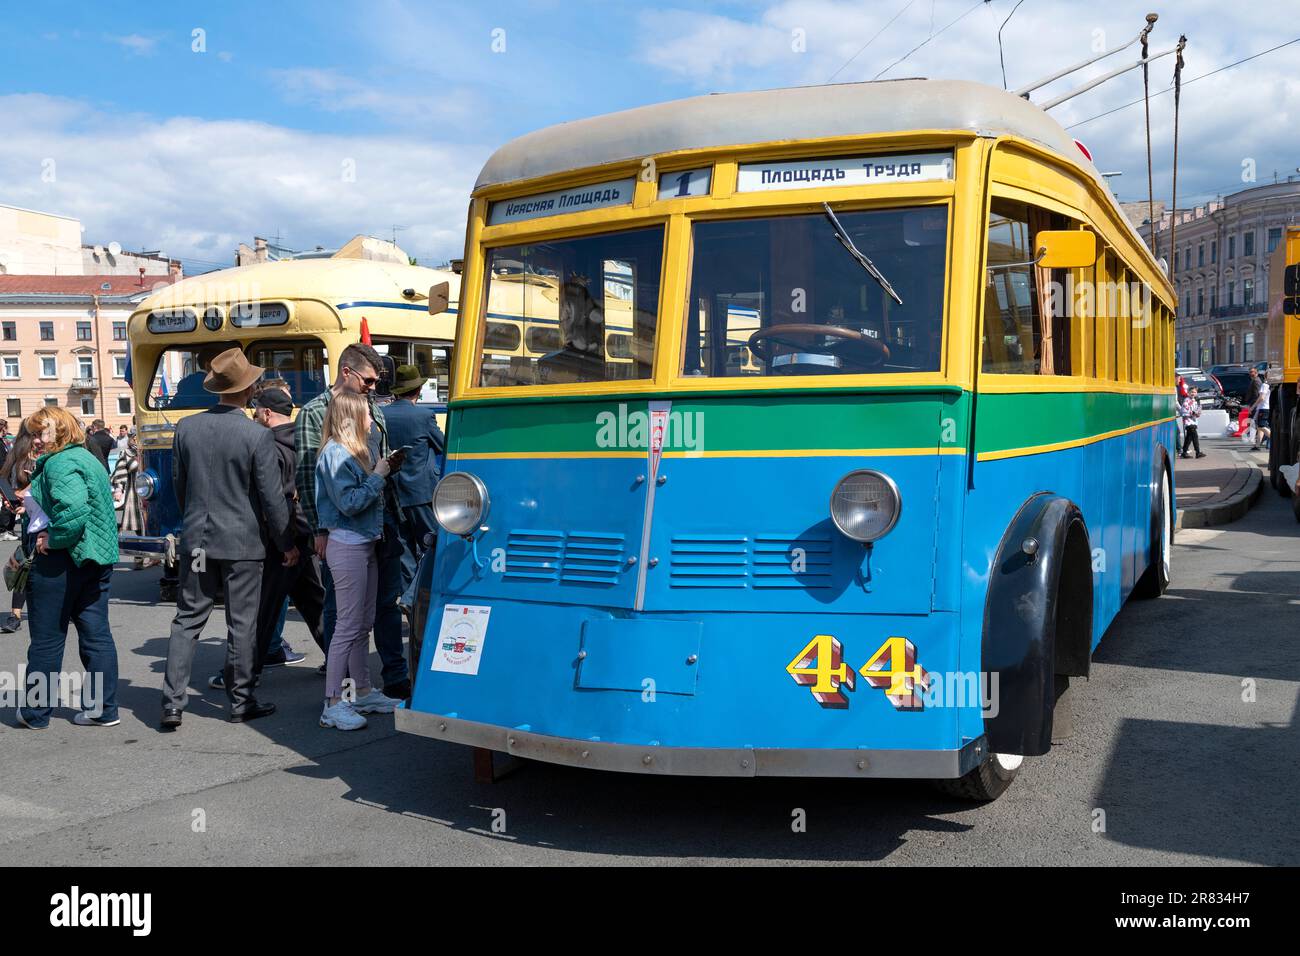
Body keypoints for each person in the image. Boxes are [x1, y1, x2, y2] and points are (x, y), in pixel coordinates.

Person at [159, 347, 292, 729]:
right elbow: (270, 498)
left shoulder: (186, 428)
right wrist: (286, 544)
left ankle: (172, 703)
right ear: (249, 390)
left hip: (198, 542)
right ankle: (240, 701)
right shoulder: (255, 435)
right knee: (242, 622)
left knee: (188, 618)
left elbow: (179, 486)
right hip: (243, 544)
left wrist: (195, 518)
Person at [294, 342, 411, 698]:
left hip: (378, 524)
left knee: (382, 607)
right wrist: (319, 529)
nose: (373, 388)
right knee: (343, 615)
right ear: (347, 372)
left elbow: (372, 459)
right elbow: (306, 474)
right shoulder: (315, 413)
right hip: (345, 529)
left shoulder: (371, 408)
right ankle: (341, 694)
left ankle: (387, 679)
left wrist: (386, 469)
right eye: (369, 380)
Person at [206, 383, 320, 691]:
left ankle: (240, 675)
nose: (254, 415)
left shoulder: (267, 444)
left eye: (257, 410)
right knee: (316, 604)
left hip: (280, 542)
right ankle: (345, 666)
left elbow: (277, 500)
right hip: (307, 536)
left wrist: (285, 544)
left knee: (259, 613)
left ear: (267, 412)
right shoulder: (307, 441)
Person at [14, 407, 121, 728]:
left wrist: (54, 538)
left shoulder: (60, 462)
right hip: (94, 558)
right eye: (32, 433)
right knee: (96, 634)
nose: (34, 440)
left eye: (39, 432)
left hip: (63, 560)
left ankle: (36, 713)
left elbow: (73, 509)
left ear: (59, 431)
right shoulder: (86, 457)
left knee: (47, 640)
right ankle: (104, 708)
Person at [314, 391, 403, 730]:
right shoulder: (336, 454)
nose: (372, 420)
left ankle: (361, 692)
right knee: (349, 626)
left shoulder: (351, 451)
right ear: (351, 418)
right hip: (349, 546)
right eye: (367, 414)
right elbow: (350, 503)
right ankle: (332, 702)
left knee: (361, 622)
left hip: (363, 545)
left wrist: (382, 470)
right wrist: (379, 474)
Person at [381, 365, 445, 607]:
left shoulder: (382, 414)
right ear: (418, 389)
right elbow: (443, 446)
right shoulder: (424, 416)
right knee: (433, 544)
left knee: (405, 552)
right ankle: (410, 598)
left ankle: (411, 602)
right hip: (421, 492)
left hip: (393, 494)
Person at [0, 426, 38, 632]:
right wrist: (13, 498)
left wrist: (21, 493)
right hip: (29, 519)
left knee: (37, 566)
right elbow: (9, 482)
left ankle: (66, 610)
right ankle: (14, 615)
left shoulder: (48, 455)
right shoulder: (20, 456)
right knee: (25, 565)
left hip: (45, 519)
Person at [1249, 368, 1271, 451]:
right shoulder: (1270, 385)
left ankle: (1275, 439)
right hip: (1266, 408)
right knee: (1259, 428)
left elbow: (1261, 398)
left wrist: (1253, 406)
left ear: (1265, 376)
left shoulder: (1264, 385)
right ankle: (1257, 445)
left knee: (1261, 426)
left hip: (1263, 408)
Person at [1180, 387, 1206, 459]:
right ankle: (1198, 452)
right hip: (1188, 422)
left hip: (1193, 421)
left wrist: (1198, 413)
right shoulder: (1186, 401)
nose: (1193, 393)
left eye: (1194, 392)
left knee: (1189, 438)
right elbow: (1184, 412)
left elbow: (1196, 411)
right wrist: (1193, 413)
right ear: (1188, 393)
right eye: (1191, 392)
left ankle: (1184, 452)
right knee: (1195, 436)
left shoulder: (1195, 401)